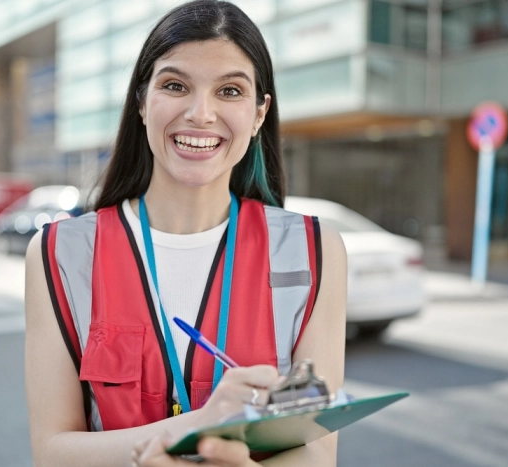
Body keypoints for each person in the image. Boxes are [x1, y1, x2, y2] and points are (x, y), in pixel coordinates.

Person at [24, 1, 346, 466]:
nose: (201, 113)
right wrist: (198, 425)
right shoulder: (60, 253)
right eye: (175, 85)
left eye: (230, 91)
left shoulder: (316, 251)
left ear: (259, 114)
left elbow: (316, 451)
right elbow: (52, 453)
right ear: (141, 101)